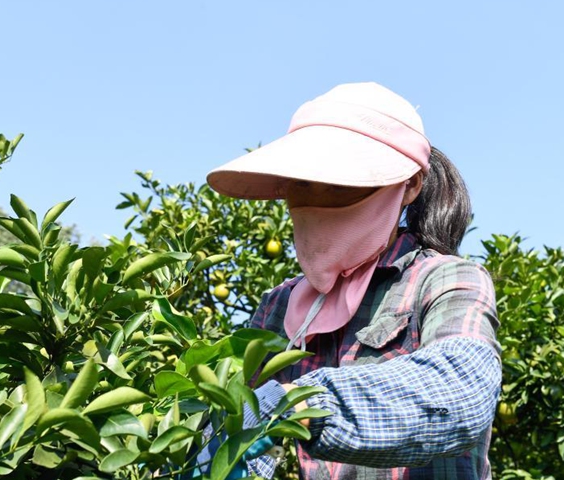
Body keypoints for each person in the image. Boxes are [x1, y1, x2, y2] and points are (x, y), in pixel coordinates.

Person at [200, 82, 501, 479]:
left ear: (408, 185)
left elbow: (462, 389)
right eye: (301, 180)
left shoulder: (444, 280)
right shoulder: (281, 305)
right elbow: (235, 420)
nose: (313, 198)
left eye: (339, 179)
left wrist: (301, 406)